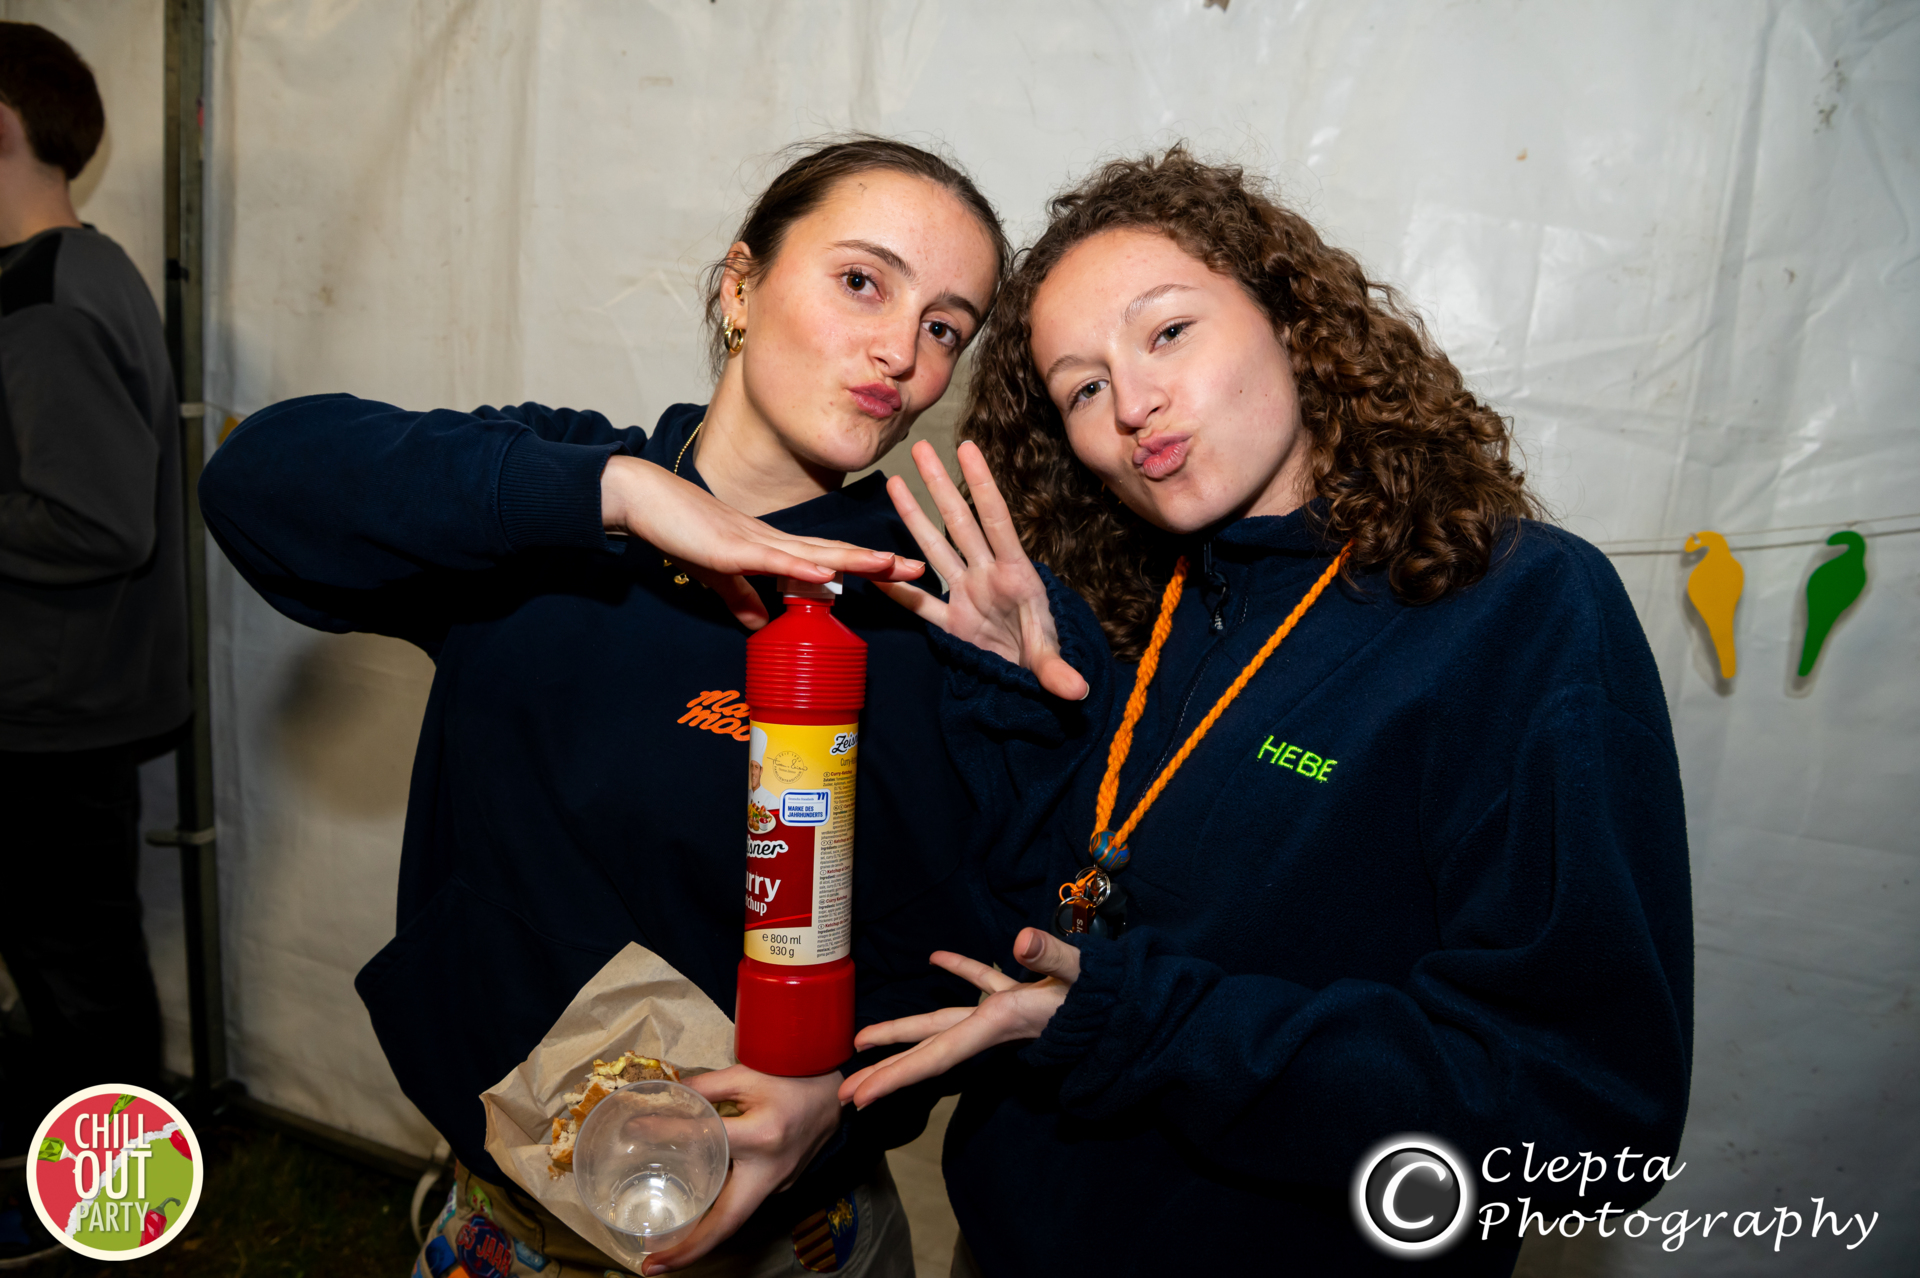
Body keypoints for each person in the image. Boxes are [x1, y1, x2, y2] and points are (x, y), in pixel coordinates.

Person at [839, 148, 1694, 1276]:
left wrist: (1148, 1028)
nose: (1131, 405)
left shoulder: (1519, 608)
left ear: (1292, 319)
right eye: (1083, 388)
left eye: (1168, 332)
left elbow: (1586, 1115)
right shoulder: (1130, 609)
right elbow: (1046, 931)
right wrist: (1021, 718)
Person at [199, 137, 1006, 1277]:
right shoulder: (561, 491)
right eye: (863, 281)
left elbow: (964, 933)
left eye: (945, 328)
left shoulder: (921, 597)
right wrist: (614, 497)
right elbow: (258, 481)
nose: (901, 353)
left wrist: (833, 1099)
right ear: (740, 287)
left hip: (795, 1240)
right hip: (517, 1228)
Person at [0, 23, 184, 1263]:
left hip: (53, 711)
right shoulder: (66, 272)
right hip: (52, 700)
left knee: (82, 977)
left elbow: (96, 521)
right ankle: (63, 1164)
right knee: (66, 965)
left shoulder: (50, 299)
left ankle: (116, 1217)